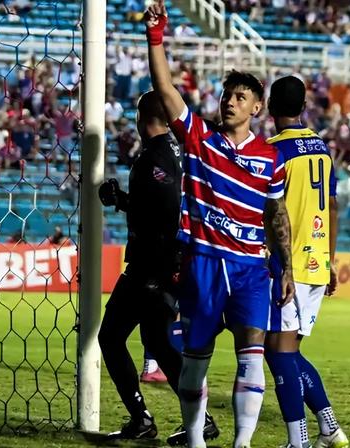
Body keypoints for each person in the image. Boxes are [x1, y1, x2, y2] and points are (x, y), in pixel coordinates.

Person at [145, 2, 296, 446]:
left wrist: (284, 268)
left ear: (256, 108)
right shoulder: (199, 138)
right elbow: (166, 89)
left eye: (240, 97)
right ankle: (194, 439)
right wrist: (156, 37)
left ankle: (242, 443)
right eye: (228, 95)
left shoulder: (271, 159)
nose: (230, 102)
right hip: (205, 263)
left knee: (252, 351)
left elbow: (277, 216)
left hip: (251, 267)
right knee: (196, 360)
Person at [97, 91, 219, 445]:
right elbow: (159, 206)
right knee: (159, 343)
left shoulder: (154, 156)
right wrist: (122, 202)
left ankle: (141, 419)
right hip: (169, 263)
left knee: (111, 336)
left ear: (141, 118)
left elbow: (164, 211)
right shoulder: (182, 150)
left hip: (152, 266)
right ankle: (202, 421)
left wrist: (166, 263)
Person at [264, 76, 349, 448]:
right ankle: (329, 428)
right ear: (302, 108)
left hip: (289, 263)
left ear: (269, 108)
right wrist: (330, 260)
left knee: (279, 352)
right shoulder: (322, 149)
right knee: (286, 349)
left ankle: (297, 440)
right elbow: (331, 207)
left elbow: (271, 210)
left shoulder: (272, 150)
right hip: (316, 261)